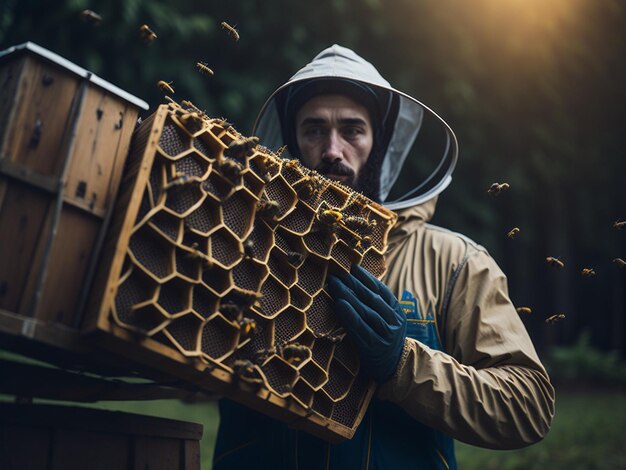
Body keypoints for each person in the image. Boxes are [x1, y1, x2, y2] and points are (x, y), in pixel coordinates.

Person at [213, 44, 555, 469]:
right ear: (291, 143)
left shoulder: (454, 261)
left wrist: (403, 365)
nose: (333, 150)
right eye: (314, 129)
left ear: (378, 145)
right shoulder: (240, 246)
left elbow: (528, 405)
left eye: (353, 130)